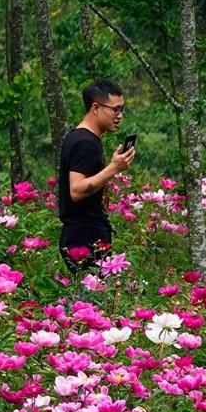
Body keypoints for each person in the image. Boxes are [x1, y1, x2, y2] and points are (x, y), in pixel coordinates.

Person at [57, 78, 134, 275]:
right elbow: (76, 190)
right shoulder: (86, 143)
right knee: (92, 301)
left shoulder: (81, 137)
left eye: (122, 109)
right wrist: (113, 168)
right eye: (115, 109)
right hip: (84, 237)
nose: (119, 115)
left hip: (83, 233)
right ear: (96, 108)